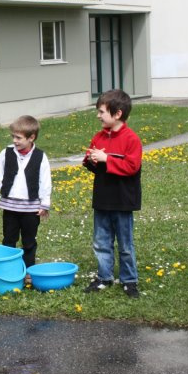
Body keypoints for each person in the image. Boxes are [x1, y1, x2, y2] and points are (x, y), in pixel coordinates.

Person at [81, 89, 143, 299]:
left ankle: (129, 280)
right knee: (101, 241)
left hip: (123, 200)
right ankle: (104, 277)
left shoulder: (131, 139)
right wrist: (90, 160)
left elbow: (132, 167)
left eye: (101, 112)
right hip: (103, 199)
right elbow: (92, 164)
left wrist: (107, 159)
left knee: (125, 244)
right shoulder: (98, 137)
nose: (98, 116)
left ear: (117, 114)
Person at [0, 115, 51, 267]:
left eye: (18, 137)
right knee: (9, 239)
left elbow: (45, 181)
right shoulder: (7, 153)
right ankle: (8, 267)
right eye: (13, 137)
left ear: (32, 137)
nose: (14, 141)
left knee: (29, 241)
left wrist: (44, 203)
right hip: (10, 207)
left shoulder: (40, 157)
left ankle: (28, 269)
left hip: (31, 209)